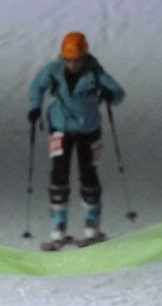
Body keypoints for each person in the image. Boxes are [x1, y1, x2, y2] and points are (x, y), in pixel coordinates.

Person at [28, 31, 125, 250]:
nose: (73, 65)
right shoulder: (54, 70)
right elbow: (37, 86)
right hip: (60, 128)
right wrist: (35, 107)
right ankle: (58, 229)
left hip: (88, 130)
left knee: (88, 175)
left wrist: (110, 95)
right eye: (69, 60)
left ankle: (92, 228)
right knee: (58, 175)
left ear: (84, 56)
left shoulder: (94, 71)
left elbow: (118, 91)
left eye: (77, 60)